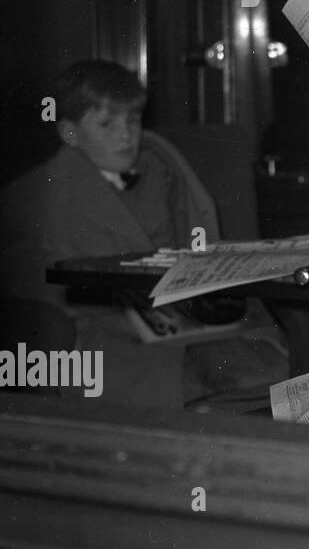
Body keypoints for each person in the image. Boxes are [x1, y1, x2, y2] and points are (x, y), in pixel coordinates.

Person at [0, 60, 285, 408]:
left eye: (132, 121)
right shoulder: (37, 195)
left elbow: (197, 240)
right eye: (106, 124)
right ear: (69, 133)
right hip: (104, 340)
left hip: (186, 322)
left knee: (278, 362)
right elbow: (31, 285)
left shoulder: (162, 171)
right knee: (213, 375)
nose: (125, 136)